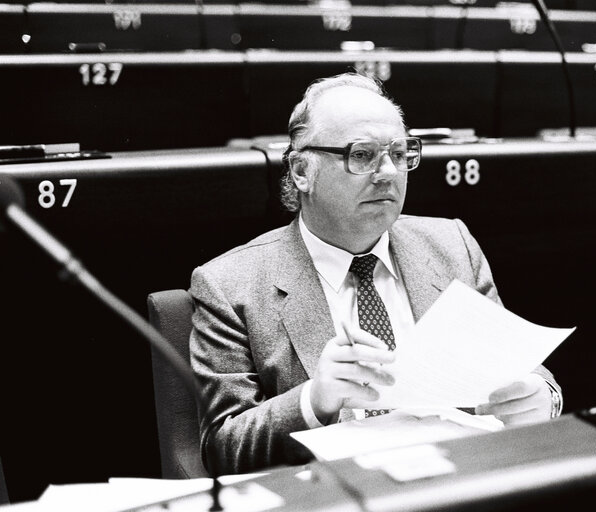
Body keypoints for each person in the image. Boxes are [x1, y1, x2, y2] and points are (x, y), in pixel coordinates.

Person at [189, 72, 562, 474]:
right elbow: (223, 451)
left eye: (399, 154)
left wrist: (543, 396)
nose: (388, 172)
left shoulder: (451, 244)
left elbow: (518, 366)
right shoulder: (230, 285)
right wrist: (313, 401)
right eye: (362, 155)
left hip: (461, 480)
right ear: (301, 171)